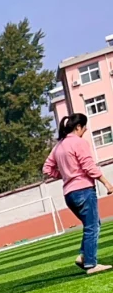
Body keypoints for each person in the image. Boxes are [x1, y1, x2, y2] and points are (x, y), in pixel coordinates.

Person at [43, 113, 113, 274]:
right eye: (84, 126)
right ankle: (90, 264)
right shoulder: (79, 143)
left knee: (93, 224)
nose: (86, 129)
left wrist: (65, 175)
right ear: (78, 127)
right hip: (83, 190)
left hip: (69, 194)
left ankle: (83, 256)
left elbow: (47, 169)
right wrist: (106, 183)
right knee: (92, 226)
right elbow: (88, 166)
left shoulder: (59, 146)